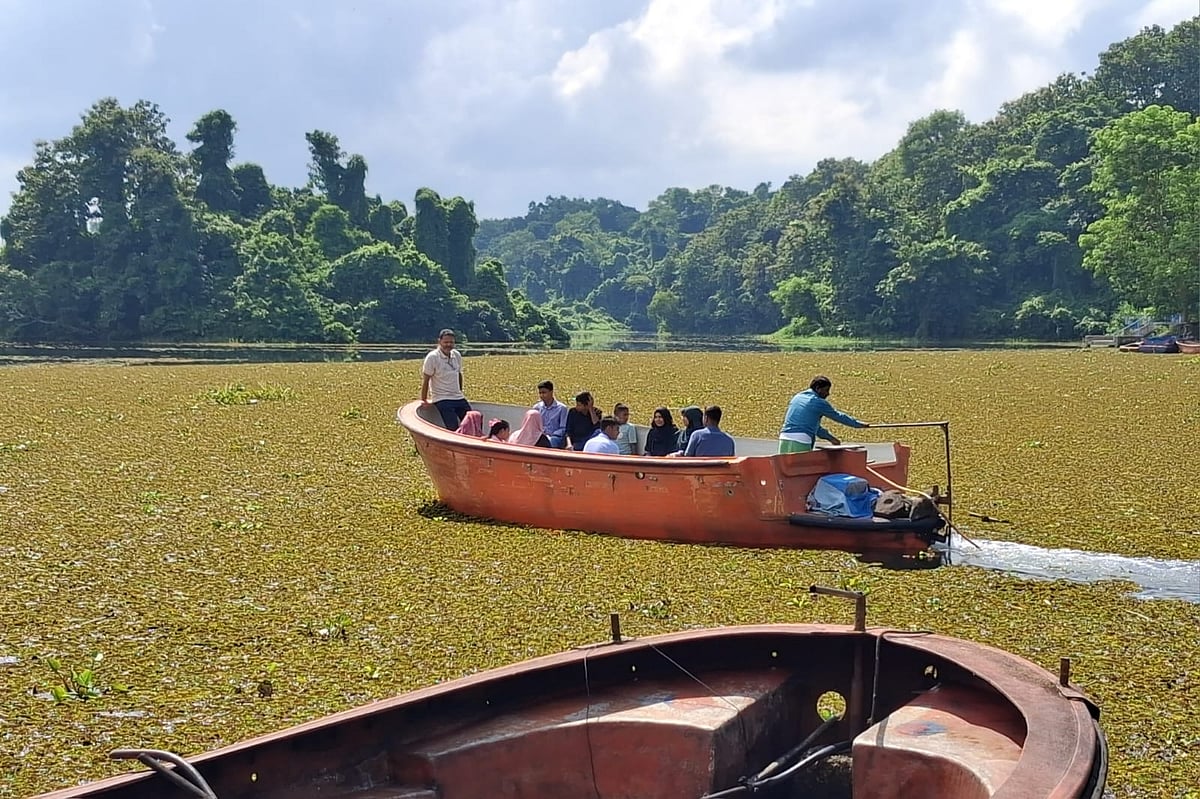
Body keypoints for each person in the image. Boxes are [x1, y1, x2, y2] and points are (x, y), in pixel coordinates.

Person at [779, 375, 869, 453]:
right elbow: (837, 416)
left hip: (784, 438)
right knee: (801, 468)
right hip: (802, 439)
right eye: (826, 390)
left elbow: (815, 428)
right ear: (818, 389)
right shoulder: (818, 402)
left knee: (787, 467)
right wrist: (857, 424)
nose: (828, 394)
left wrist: (831, 438)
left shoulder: (797, 397)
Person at [421, 328, 470, 430]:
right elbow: (426, 380)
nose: (448, 345)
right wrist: (424, 399)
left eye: (451, 342)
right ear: (439, 341)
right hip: (442, 398)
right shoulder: (432, 357)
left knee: (473, 420)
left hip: (458, 397)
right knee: (453, 426)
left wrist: (460, 392)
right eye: (446, 342)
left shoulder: (456, 355)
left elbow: (459, 374)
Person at [533, 380, 569, 448]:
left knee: (553, 442)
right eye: (540, 393)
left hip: (554, 437)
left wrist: (551, 436)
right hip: (539, 436)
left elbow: (563, 428)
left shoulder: (561, 408)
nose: (541, 395)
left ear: (551, 392)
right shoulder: (537, 408)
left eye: (544, 392)